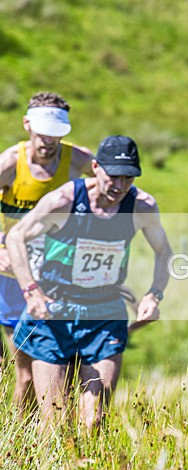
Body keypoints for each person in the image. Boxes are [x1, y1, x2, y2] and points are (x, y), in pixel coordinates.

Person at [6, 135, 172, 429]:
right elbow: (17, 236)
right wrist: (31, 291)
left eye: (128, 178)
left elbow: (164, 251)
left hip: (104, 314)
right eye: (113, 176)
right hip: (55, 313)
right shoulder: (65, 200)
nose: (120, 186)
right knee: (55, 425)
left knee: (93, 420)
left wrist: (153, 295)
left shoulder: (141, 206)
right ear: (95, 167)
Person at [0, 91, 94, 414]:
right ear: (27, 125)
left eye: (56, 135)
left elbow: (114, 190)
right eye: (43, 134)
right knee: (25, 373)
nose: (49, 142)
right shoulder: (11, 164)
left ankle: (53, 436)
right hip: (13, 275)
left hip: (59, 274)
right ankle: (16, 435)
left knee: (64, 369)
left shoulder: (78, 161)